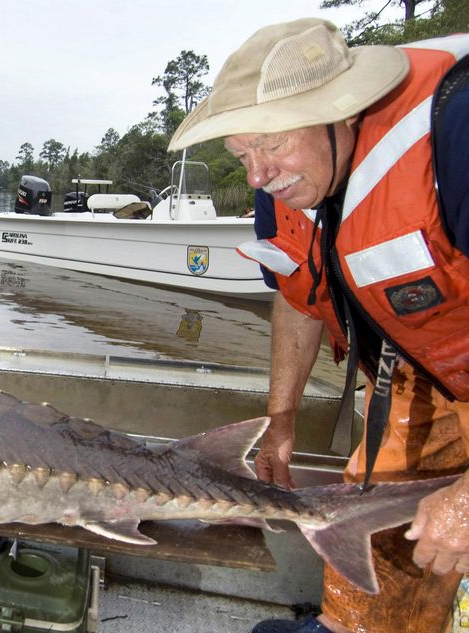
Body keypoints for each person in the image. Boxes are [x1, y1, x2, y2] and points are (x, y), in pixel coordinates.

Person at [169, 18, 469, 633]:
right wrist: (280, 422)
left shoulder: (457, 136)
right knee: (368, 522)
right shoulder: (281, 184)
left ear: (344, 110)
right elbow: (298, 296)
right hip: (422, 377)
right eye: (240, 154)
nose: (257, 175)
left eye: (270, 144)